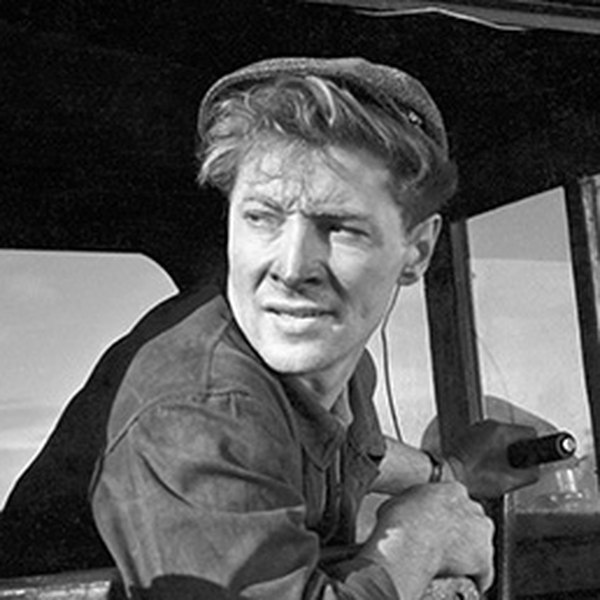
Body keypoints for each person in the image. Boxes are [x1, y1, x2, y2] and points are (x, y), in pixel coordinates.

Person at [0, 56, 537, 598]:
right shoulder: (197, 408)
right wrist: (417, 540)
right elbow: (240, 437)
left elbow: (352, 454)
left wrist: (450, 474)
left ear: (416, 250)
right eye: (262, 218)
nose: (291, 268)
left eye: (340, 228)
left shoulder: (341, 369)